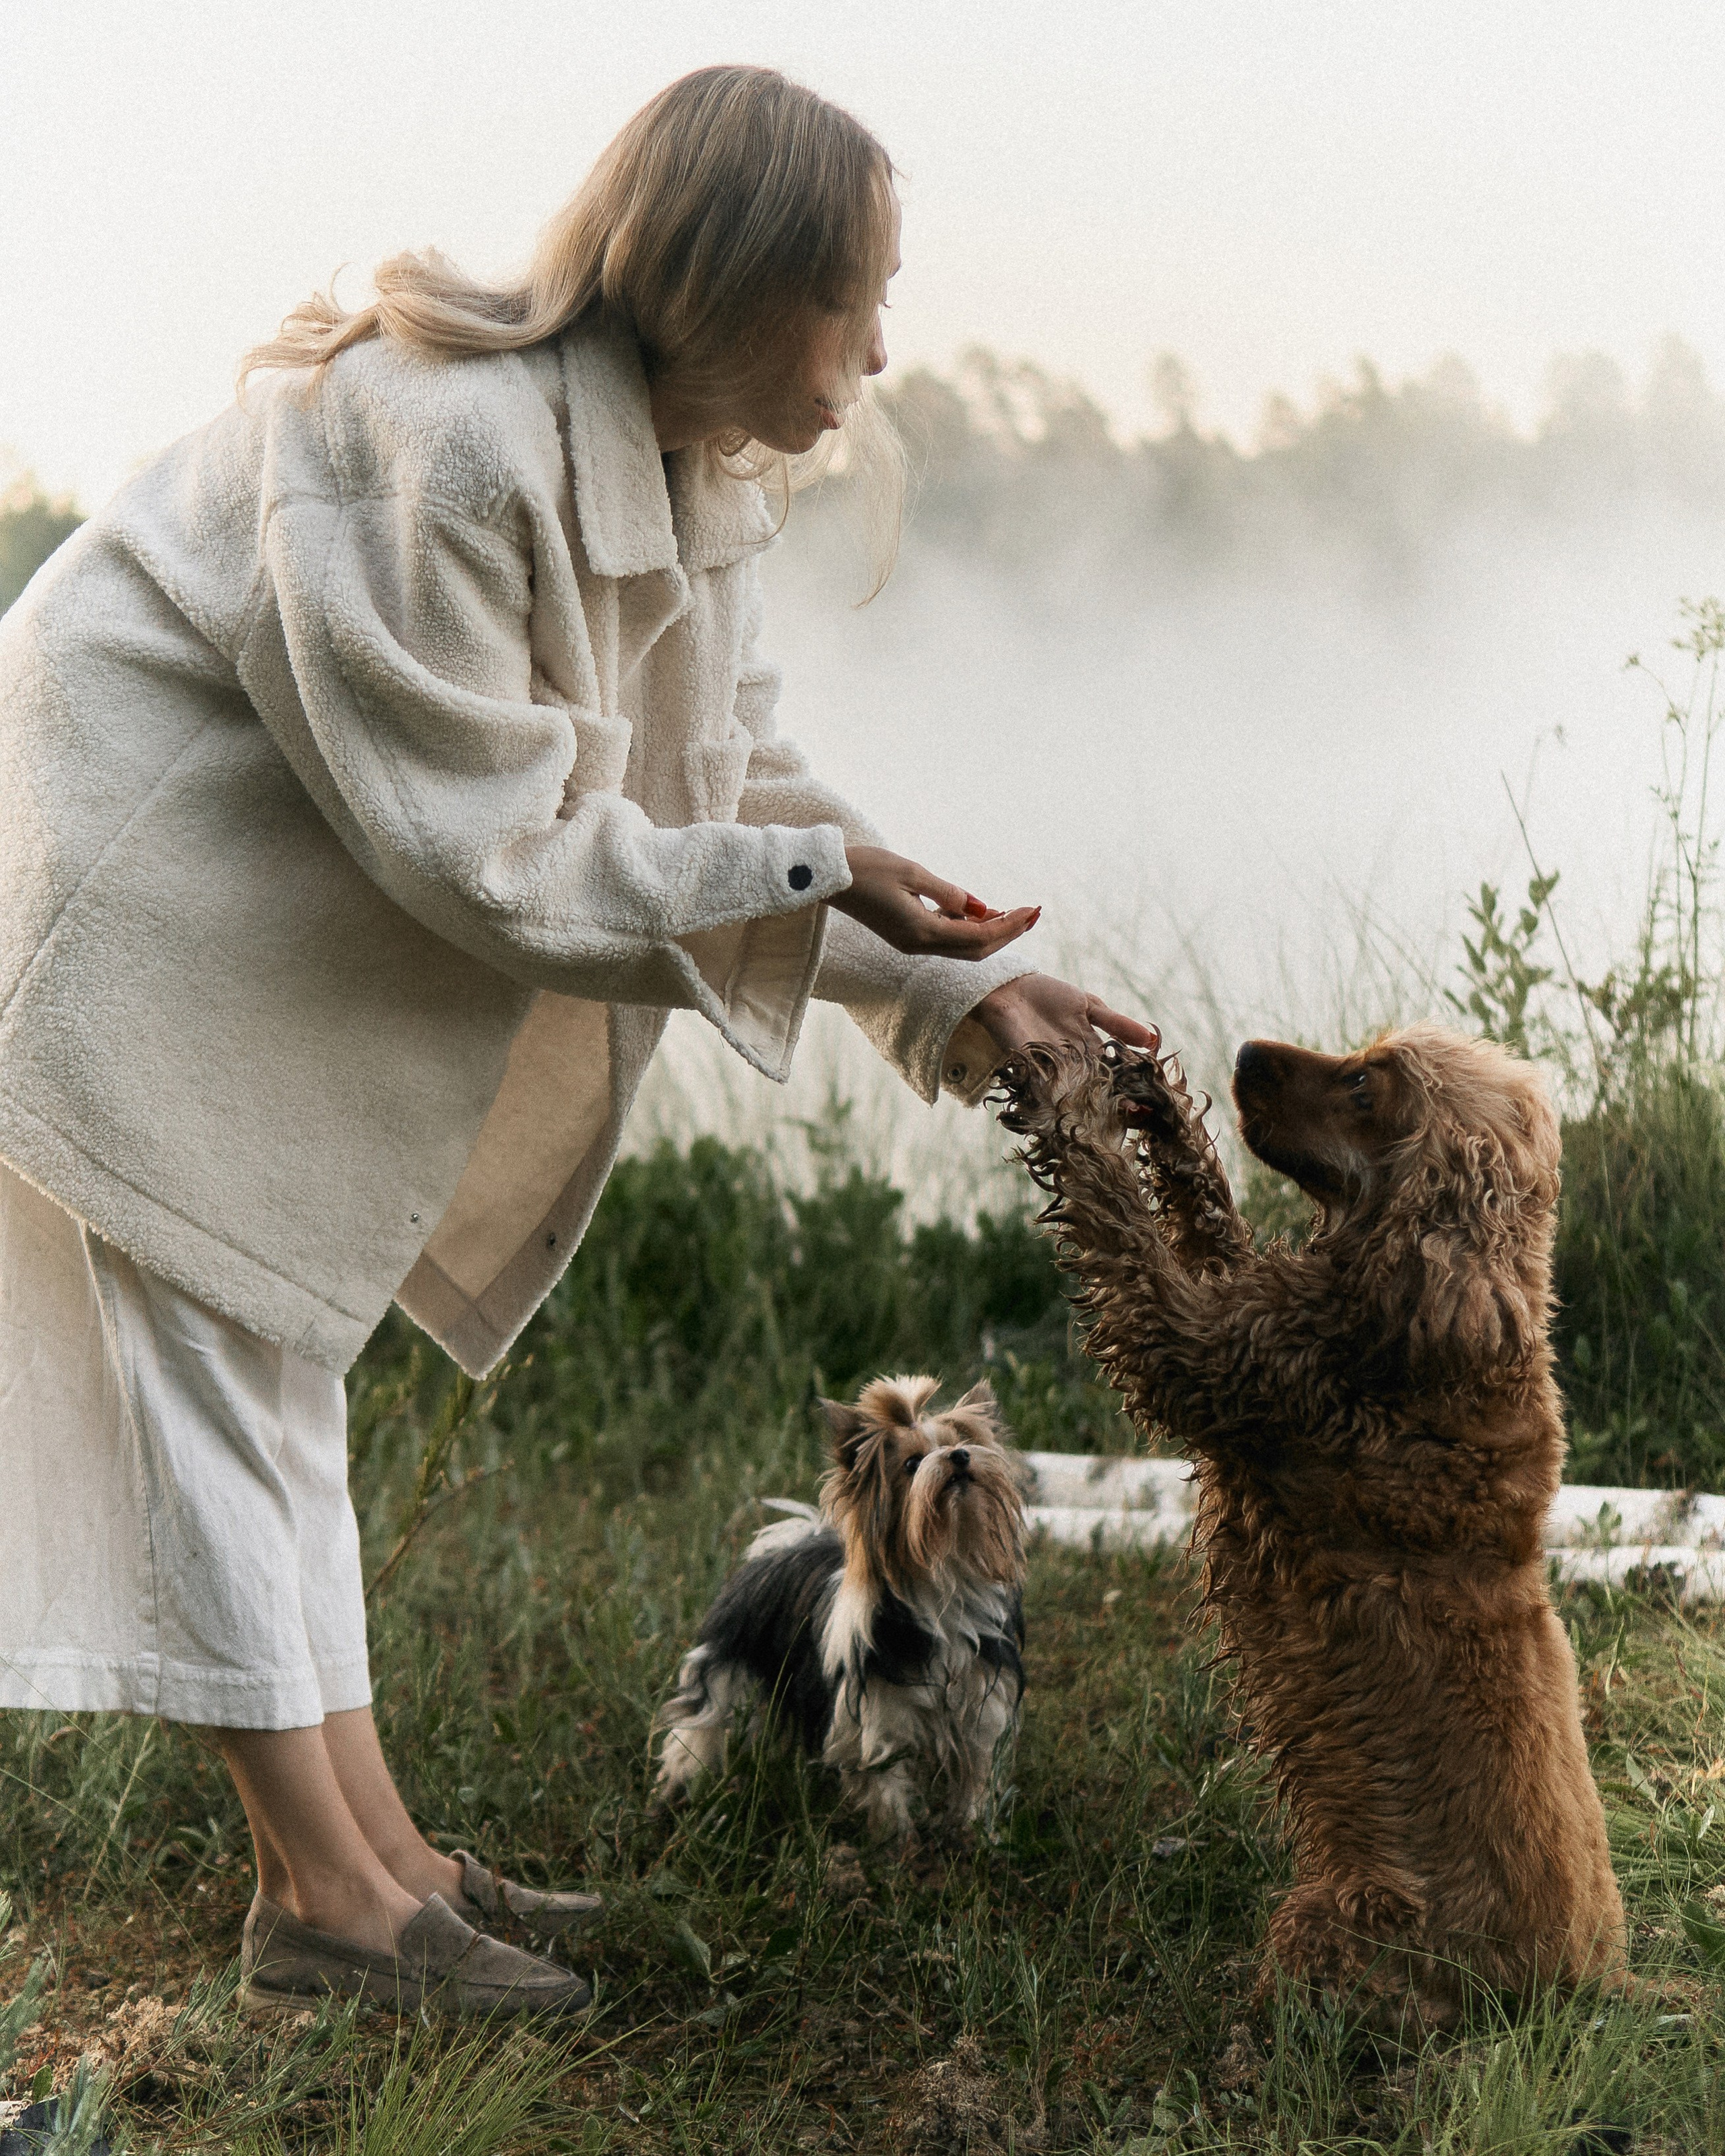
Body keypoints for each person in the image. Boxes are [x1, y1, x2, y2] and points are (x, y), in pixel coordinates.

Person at [0, 64, 1154, 2019]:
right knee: (207, 1399)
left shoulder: (690, 481)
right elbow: (491, 850)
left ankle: (387, 1867)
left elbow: (737, 787)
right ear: (729, 279)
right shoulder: (429, 446)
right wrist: (829, 873)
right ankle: (328, 1921)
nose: (880, 349)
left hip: (254, 942)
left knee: (284, 1403)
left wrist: (966, 992)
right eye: (852, 297)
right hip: (130, 929)